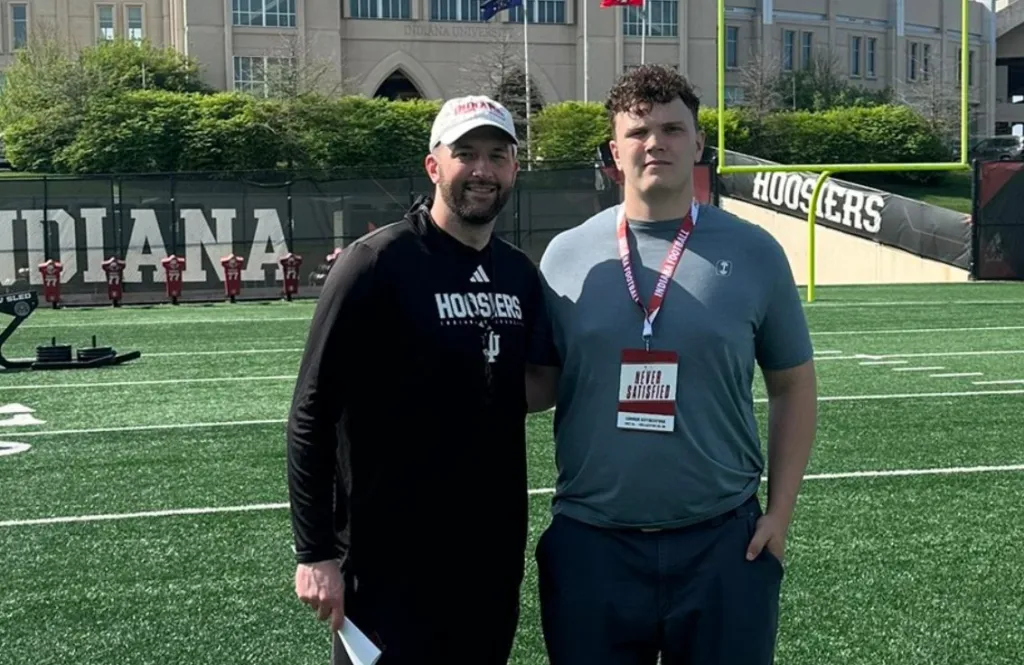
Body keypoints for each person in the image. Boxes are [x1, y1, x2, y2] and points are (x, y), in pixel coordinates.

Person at [530, 64, 819, 664]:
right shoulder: (564, 255)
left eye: (671, 129)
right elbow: (541, 382)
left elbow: (793, 385)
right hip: (593, 543)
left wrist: (780, 516)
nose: (654, 143)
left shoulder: (754, 250)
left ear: (698, 143)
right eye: (637, 133)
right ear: (614, 150)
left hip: (721, 542)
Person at [285, 95, 560, 664]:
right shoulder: (376, 262)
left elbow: (535, 384)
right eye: (466, 154)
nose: (482, 170)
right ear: (434, 166)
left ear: (513, 169)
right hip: (389, 566)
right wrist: (315, 552)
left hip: (488, 558)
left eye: (497, 155)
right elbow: (312, 411)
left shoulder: (519, 274)